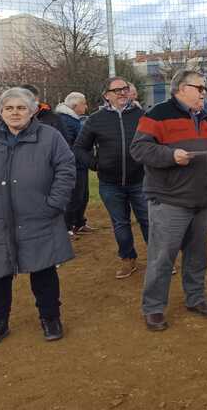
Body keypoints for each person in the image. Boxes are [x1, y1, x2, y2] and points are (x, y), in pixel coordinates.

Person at [131, 69, 207, 331]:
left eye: (204, 88)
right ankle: (154, 307)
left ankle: (195, 298)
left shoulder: (205, 118)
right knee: (162, 257)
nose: (204, 93)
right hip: (170, 201)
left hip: (203, 201)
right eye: (200, 88)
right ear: (182, 89)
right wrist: (171, 156)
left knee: (197, 255)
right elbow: (139, 149)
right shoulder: (157, 114)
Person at [0, 87, 75, 348]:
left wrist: (54, 204)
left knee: (43, 270)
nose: (15, 113)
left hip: (38, 217)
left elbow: (66, 169)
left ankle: (50, 318)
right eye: (9, 108)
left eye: (21, 108)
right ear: (1, 111)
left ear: (32, 111)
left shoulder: (50, 137)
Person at [74, 76, 148, 279]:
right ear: (106, 96)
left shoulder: (143, 116)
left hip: (140, 181)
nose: (122, 93)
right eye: (116, 90)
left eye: (125, 88)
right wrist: (96, 164)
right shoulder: (95, 119)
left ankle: (160, 260)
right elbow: (79, 148)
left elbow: (156, 142)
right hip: (110, 184)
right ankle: (128, 259)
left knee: (148, 220)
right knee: (120, 223)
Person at [56, 92, 92, 237]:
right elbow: (69, 145)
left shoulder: (73, 119)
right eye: (84, 103)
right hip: (74, 165)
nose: (86, 107)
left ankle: (79, 222)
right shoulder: (65, 120)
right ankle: (66, 226)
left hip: (81, 164)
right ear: (75, 105)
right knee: (74, 196)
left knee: (83, 195)